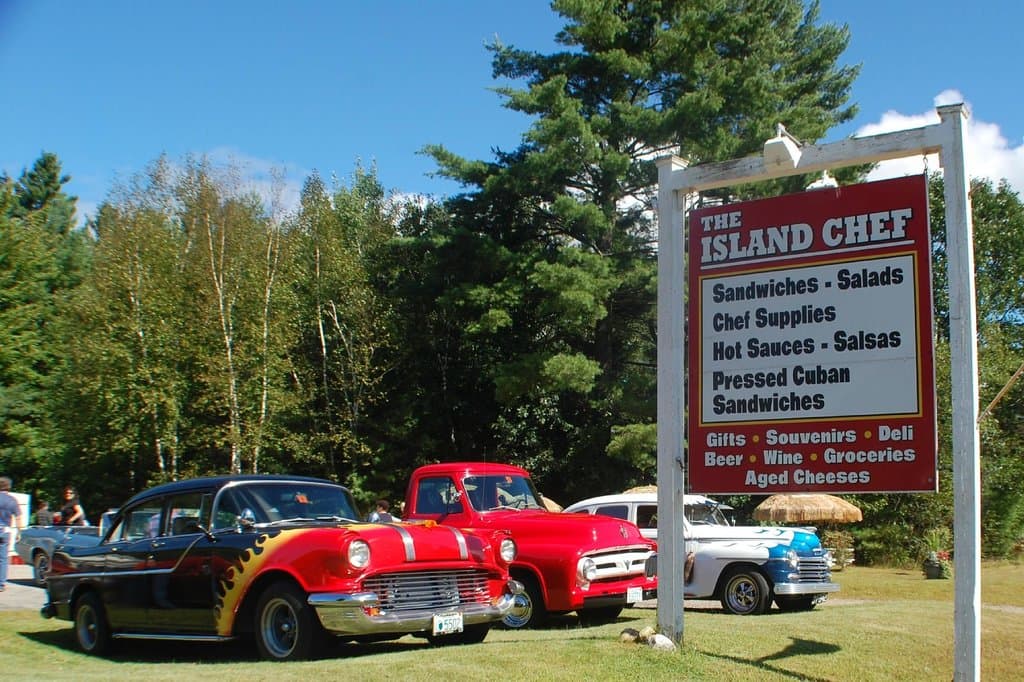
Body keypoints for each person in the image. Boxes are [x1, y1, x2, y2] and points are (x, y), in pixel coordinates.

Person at [0, 476, 23, 592]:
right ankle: (1, 584)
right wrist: (19, 531)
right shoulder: (12, 500)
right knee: (3, 558)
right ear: (9, 487)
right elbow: (18, 517)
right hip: (5, 531)